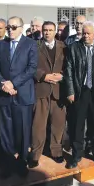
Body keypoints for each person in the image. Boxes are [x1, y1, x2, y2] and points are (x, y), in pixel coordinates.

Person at [0, 16, 38, 178]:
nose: (10, 30)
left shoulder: (30, 44)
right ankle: (8, 162)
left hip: (22, 95)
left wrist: (13, 84)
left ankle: (22, 161)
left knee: (23, 130)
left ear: (21, 28)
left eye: (14, 27)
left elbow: (31, 68)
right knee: (6, 131)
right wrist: (3, 83)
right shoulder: (0, 45)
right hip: (4, 94)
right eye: (8, 27)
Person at [63, 21, 94, 169]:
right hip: (80, 91)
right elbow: (68, 71)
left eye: (89, 33)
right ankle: (77, 154)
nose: (86, 36)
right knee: (78, 125)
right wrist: (70, 91)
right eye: (84, 33)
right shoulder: (74, 48)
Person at [29, 21, 66, 167]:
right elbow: (30, 66)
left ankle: (56, 152)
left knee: (58, 124)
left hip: (58, 91)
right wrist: (44, 76)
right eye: (45, 30)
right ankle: (35, 154)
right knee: (38, 125)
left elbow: (70, 66)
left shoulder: (64, 47)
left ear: (55, 31)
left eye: (50, 30)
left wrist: (62, 76)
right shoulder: (34, 46)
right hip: (41, 89)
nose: (47, 32)